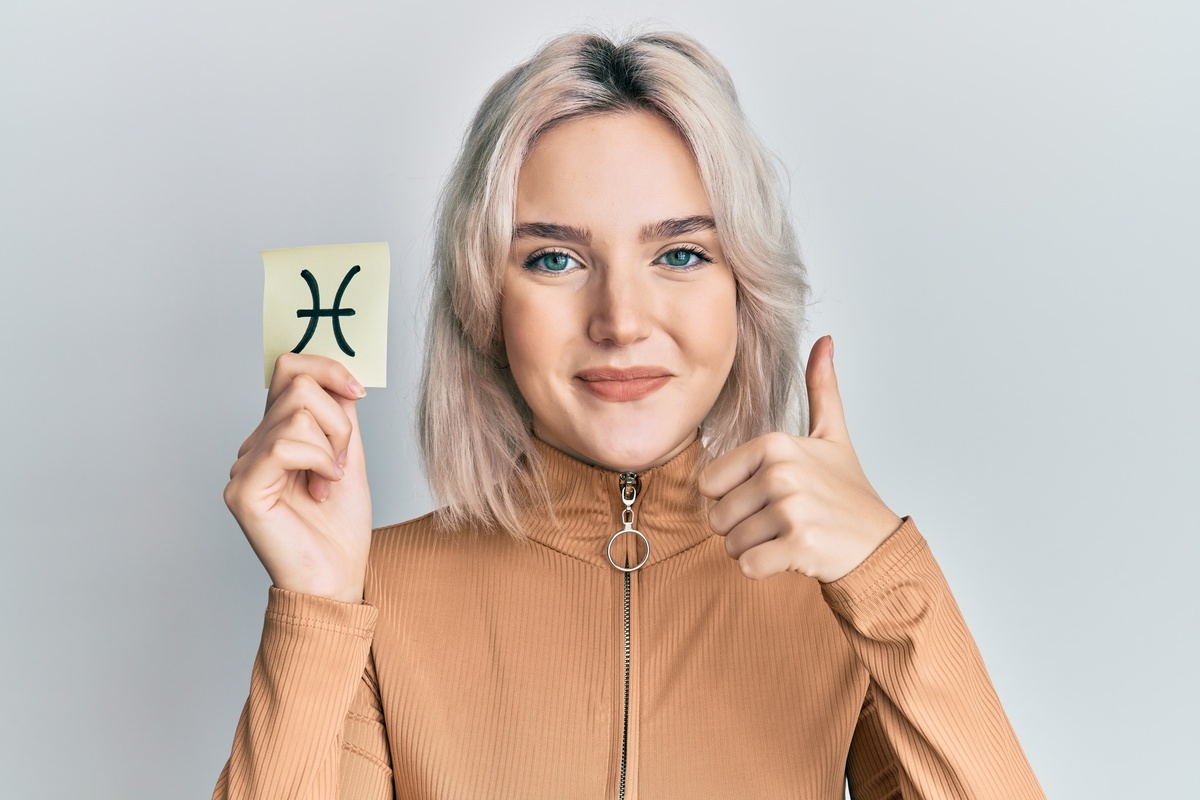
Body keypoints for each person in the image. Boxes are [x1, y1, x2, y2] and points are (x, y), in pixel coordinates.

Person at [214, 31, 1045, 799]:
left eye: (680, 253)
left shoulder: (842, 599)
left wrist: (888, 582)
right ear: (484, 304)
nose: (620, 320)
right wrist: (317, 609)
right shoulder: (373, 597)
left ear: (744, 295)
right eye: (556, 258)